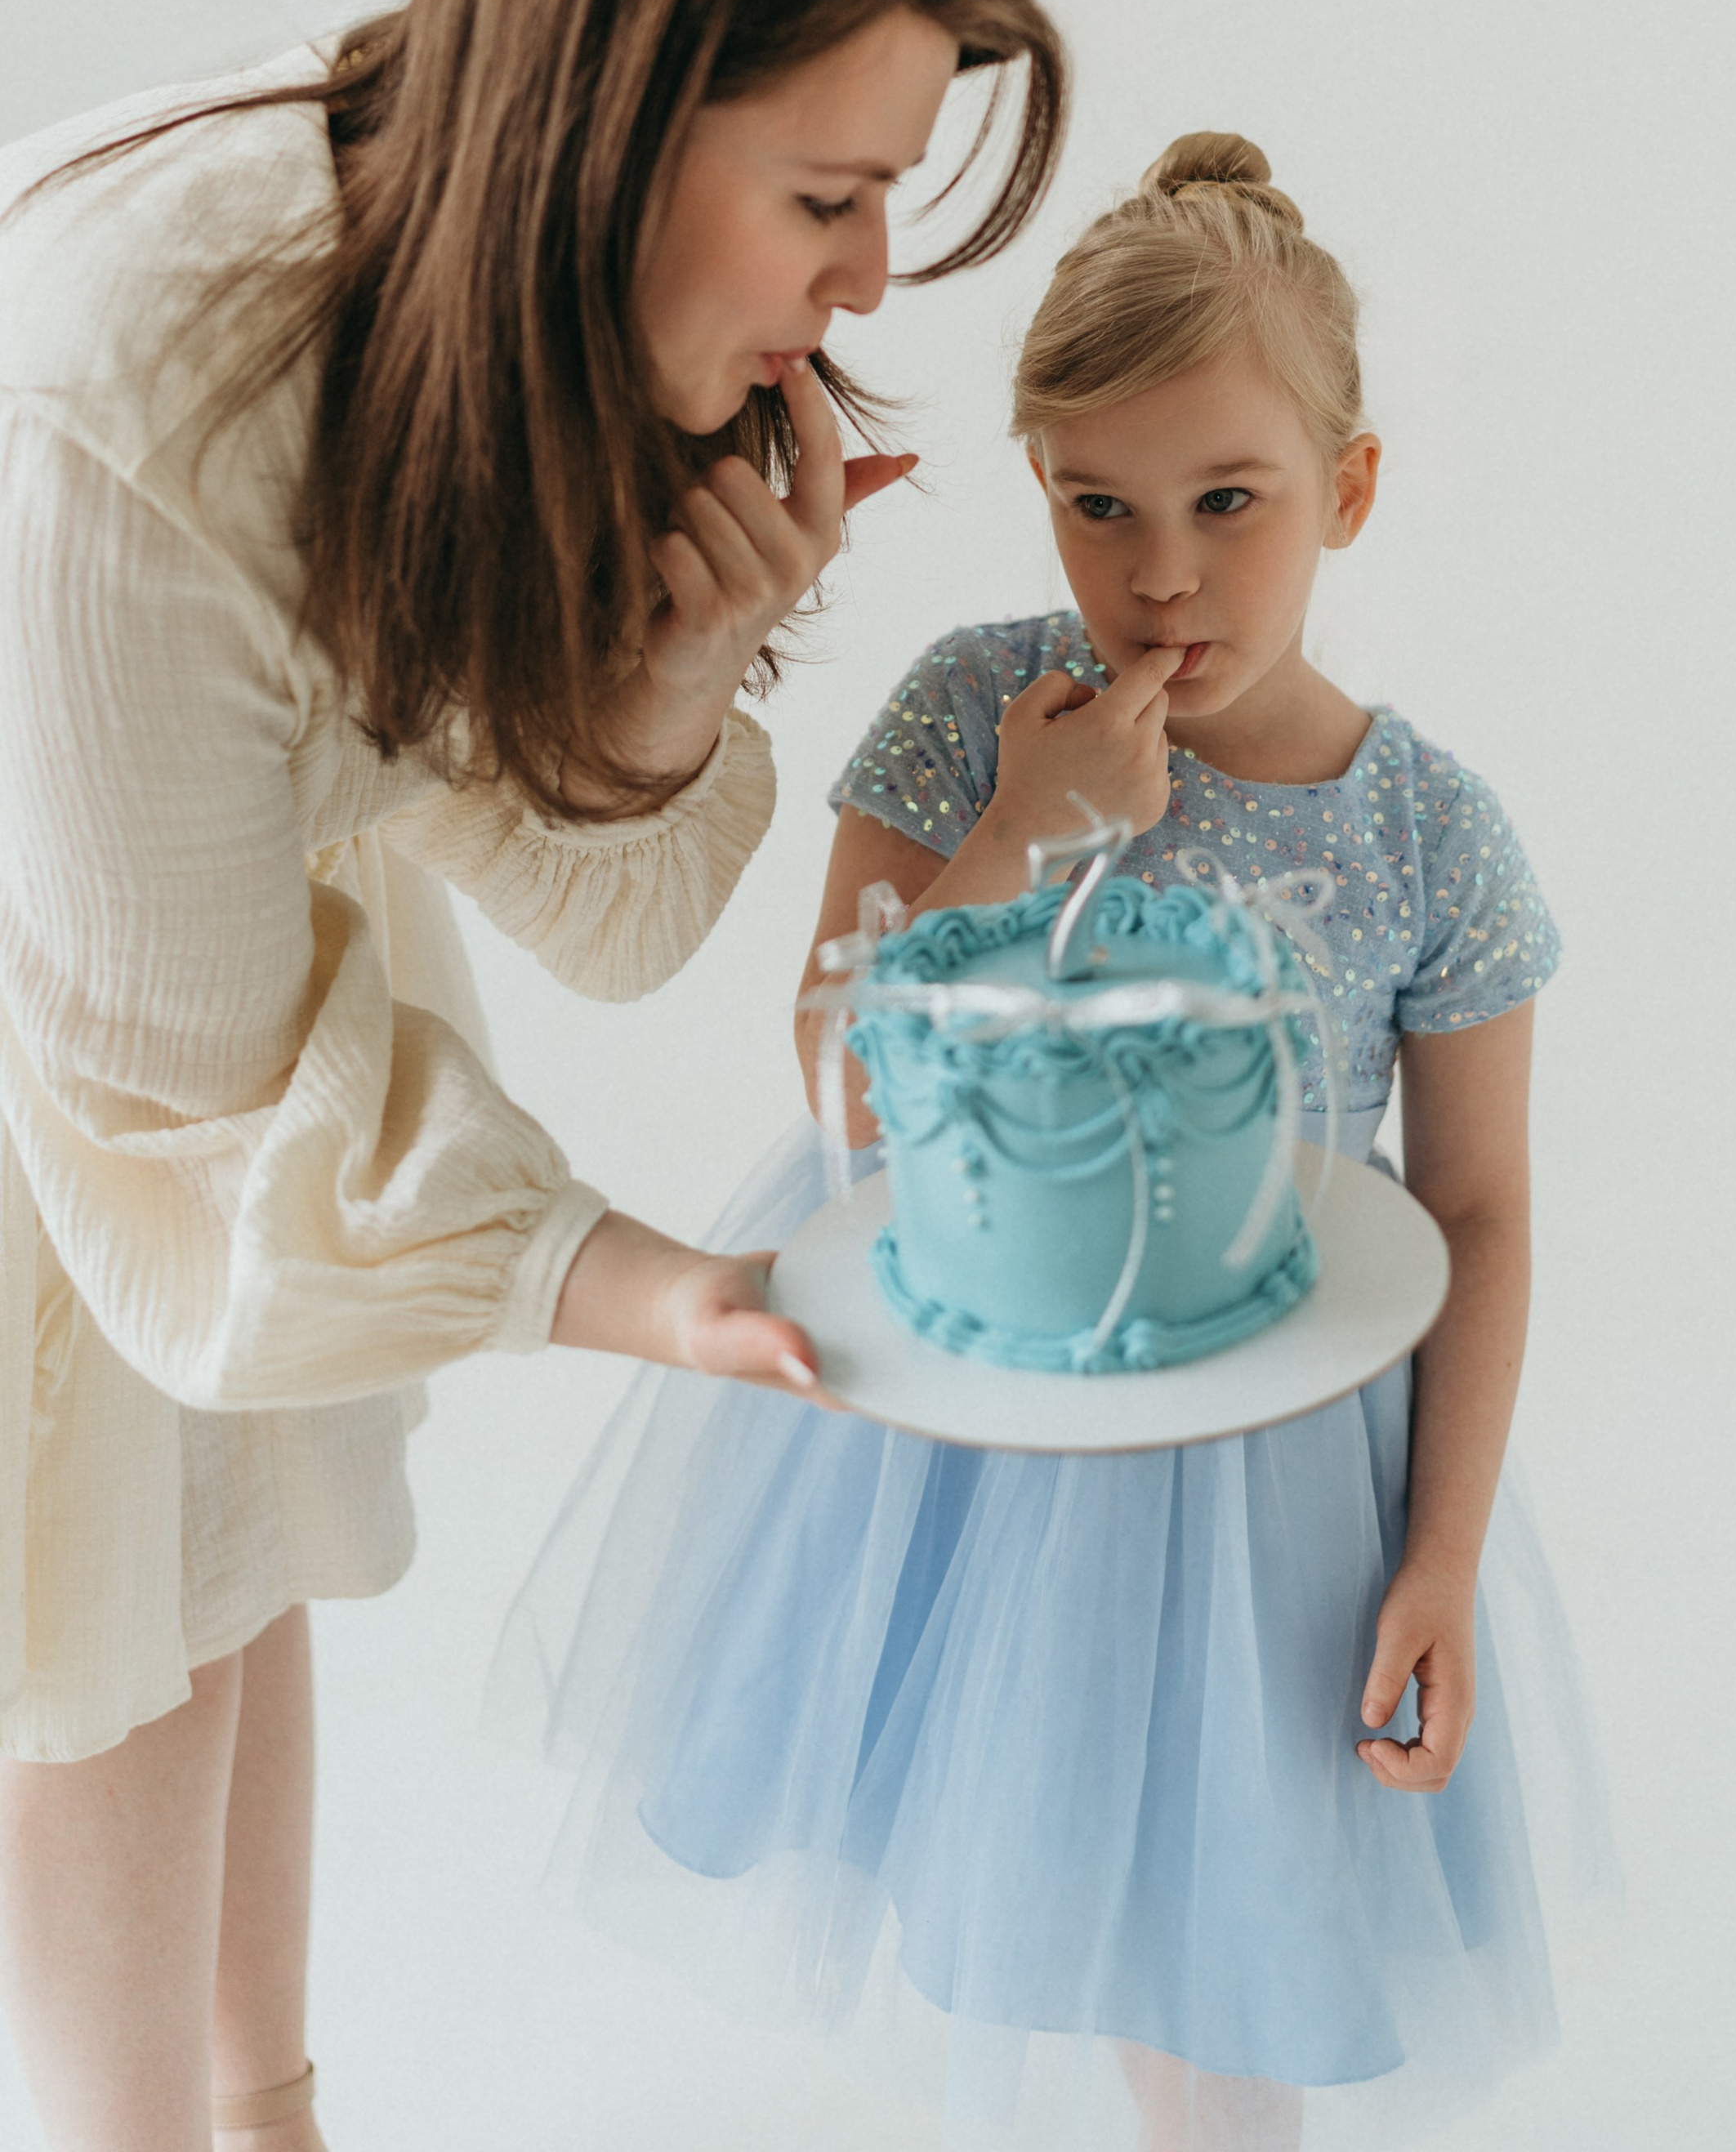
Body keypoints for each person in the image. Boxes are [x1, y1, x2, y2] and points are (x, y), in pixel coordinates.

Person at [0, 0, 1067, 2152]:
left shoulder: (477, 306)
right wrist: (643, 1284)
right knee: (107, 1622)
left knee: (230, 1553)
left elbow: (600, 915)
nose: (869, 274)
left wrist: (668, 675)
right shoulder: (125, 423)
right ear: (619, 127)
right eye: (828, 191)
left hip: (186, 920)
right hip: (66, 971)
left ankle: (268, 2118)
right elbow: (196, 1141)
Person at [515, 132, 1604, 2150]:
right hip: (974, 1406)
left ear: (1346, 491)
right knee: (1016, 1847)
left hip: (1271, 1449)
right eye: (1098, 507)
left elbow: (1475, 1201)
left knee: (1229, 1928)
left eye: (1226, 502)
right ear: (1040, 490)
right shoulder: (971, 716)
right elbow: (844, 1090)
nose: (1160, 572)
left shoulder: (1424, 834)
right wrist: (1022, 838)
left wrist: (1439, 1547)